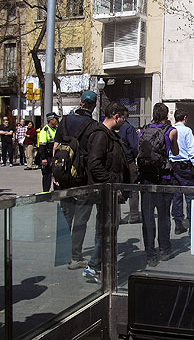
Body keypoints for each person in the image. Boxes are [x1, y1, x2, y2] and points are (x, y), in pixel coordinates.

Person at [83, 102, 130, 282]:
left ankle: (98, 265)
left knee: (104, 227)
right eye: (123, 118)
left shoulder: (108, 135)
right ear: (116, 116)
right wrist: (111, 182)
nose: (124, 122)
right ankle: (94, 265)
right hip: (105, 190)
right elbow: (94, 163)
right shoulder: (101, 135)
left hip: (108, 190)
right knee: (108, 228)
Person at [53, 90, 99, 270]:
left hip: (63, 178)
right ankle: (75, 257)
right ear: (93, 105)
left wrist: (57, 174)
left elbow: (56, 147)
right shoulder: (93, 126)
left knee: (65, 217)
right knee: (80, 219)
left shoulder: (64, 121)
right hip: (82, 179)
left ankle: (62, 254)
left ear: (80, 103)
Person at [138, 103, 179, 267]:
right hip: (164, 176)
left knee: (147, 216)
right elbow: (175, 152)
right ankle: (164, 249)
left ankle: (150, 253)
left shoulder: (143, 130)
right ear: (166, 115)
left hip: (146, 177)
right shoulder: (171, 131)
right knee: (163, 215)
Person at [169, 109, 194, 235]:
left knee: (176, 195)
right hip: (185, 164)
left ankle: (178, 223)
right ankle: (192, 223)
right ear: (185, 118)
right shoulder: (187, 131)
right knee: (191, 195)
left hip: (173, 165)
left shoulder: (170, 130)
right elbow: (191, 150)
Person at [118, 118, 140, 223]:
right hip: (129, 161)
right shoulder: (128, 128)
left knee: (116, 189)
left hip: (116, 162)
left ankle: (116, 216)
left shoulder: (110, 128)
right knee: (133, 188)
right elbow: (135, 146)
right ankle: (134, 215)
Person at [39, 112, 59, 192]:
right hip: (48, 156)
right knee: (47, 175)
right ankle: (46, 193)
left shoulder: (56, 129)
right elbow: (42, 145)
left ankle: (56, 192)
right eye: (55, 119)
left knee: (57, 174)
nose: (57, 120)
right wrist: (43, 158)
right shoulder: (45, 130)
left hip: (55, 156)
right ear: (51, 120)